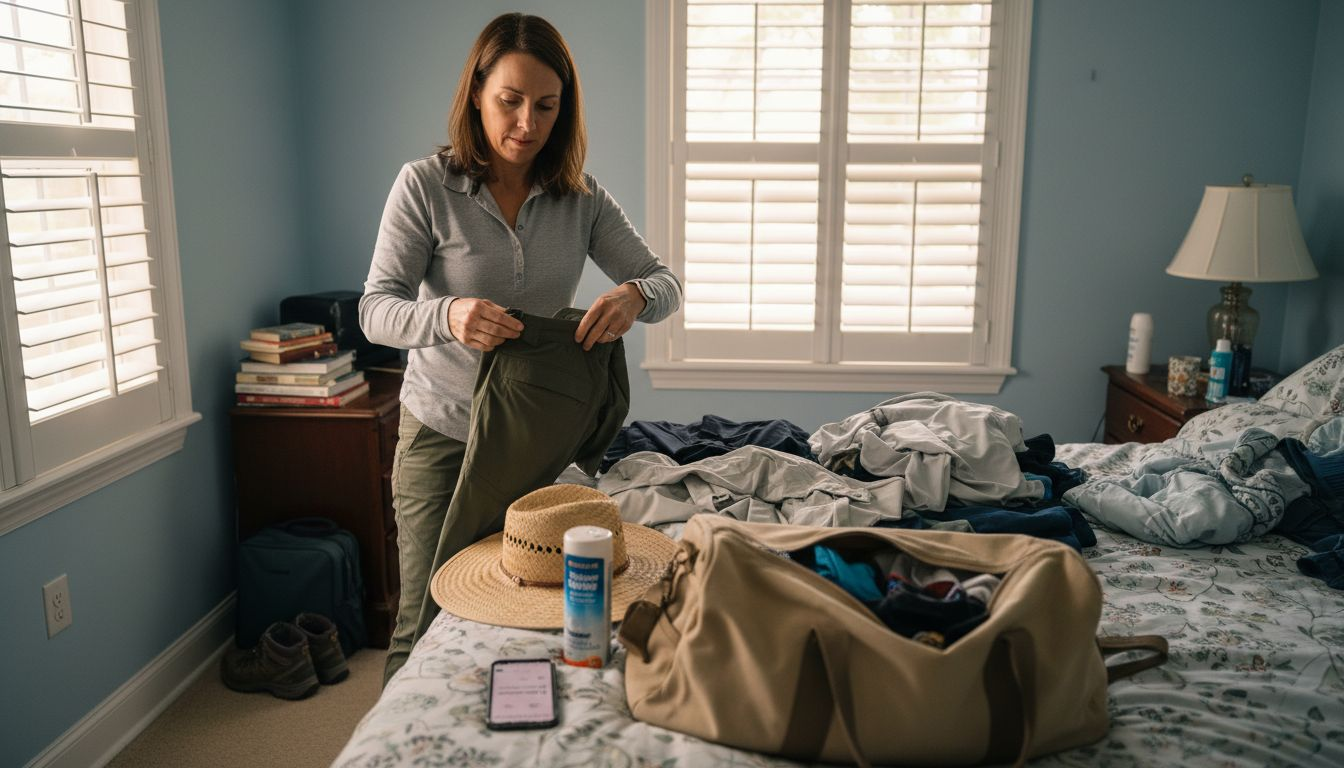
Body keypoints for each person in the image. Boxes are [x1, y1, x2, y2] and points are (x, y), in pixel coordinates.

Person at [359, 12, 682, 685]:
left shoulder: (582, 200)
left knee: (524, 610)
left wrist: (633, 298)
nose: (526, 124)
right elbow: (374, 311)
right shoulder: (424, 187)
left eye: (546, 106)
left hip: (533, 441)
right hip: (439, 435)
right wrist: (448, 316)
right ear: (475, 93)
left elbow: (665, 282)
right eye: (509, 101)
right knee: (420, 618)